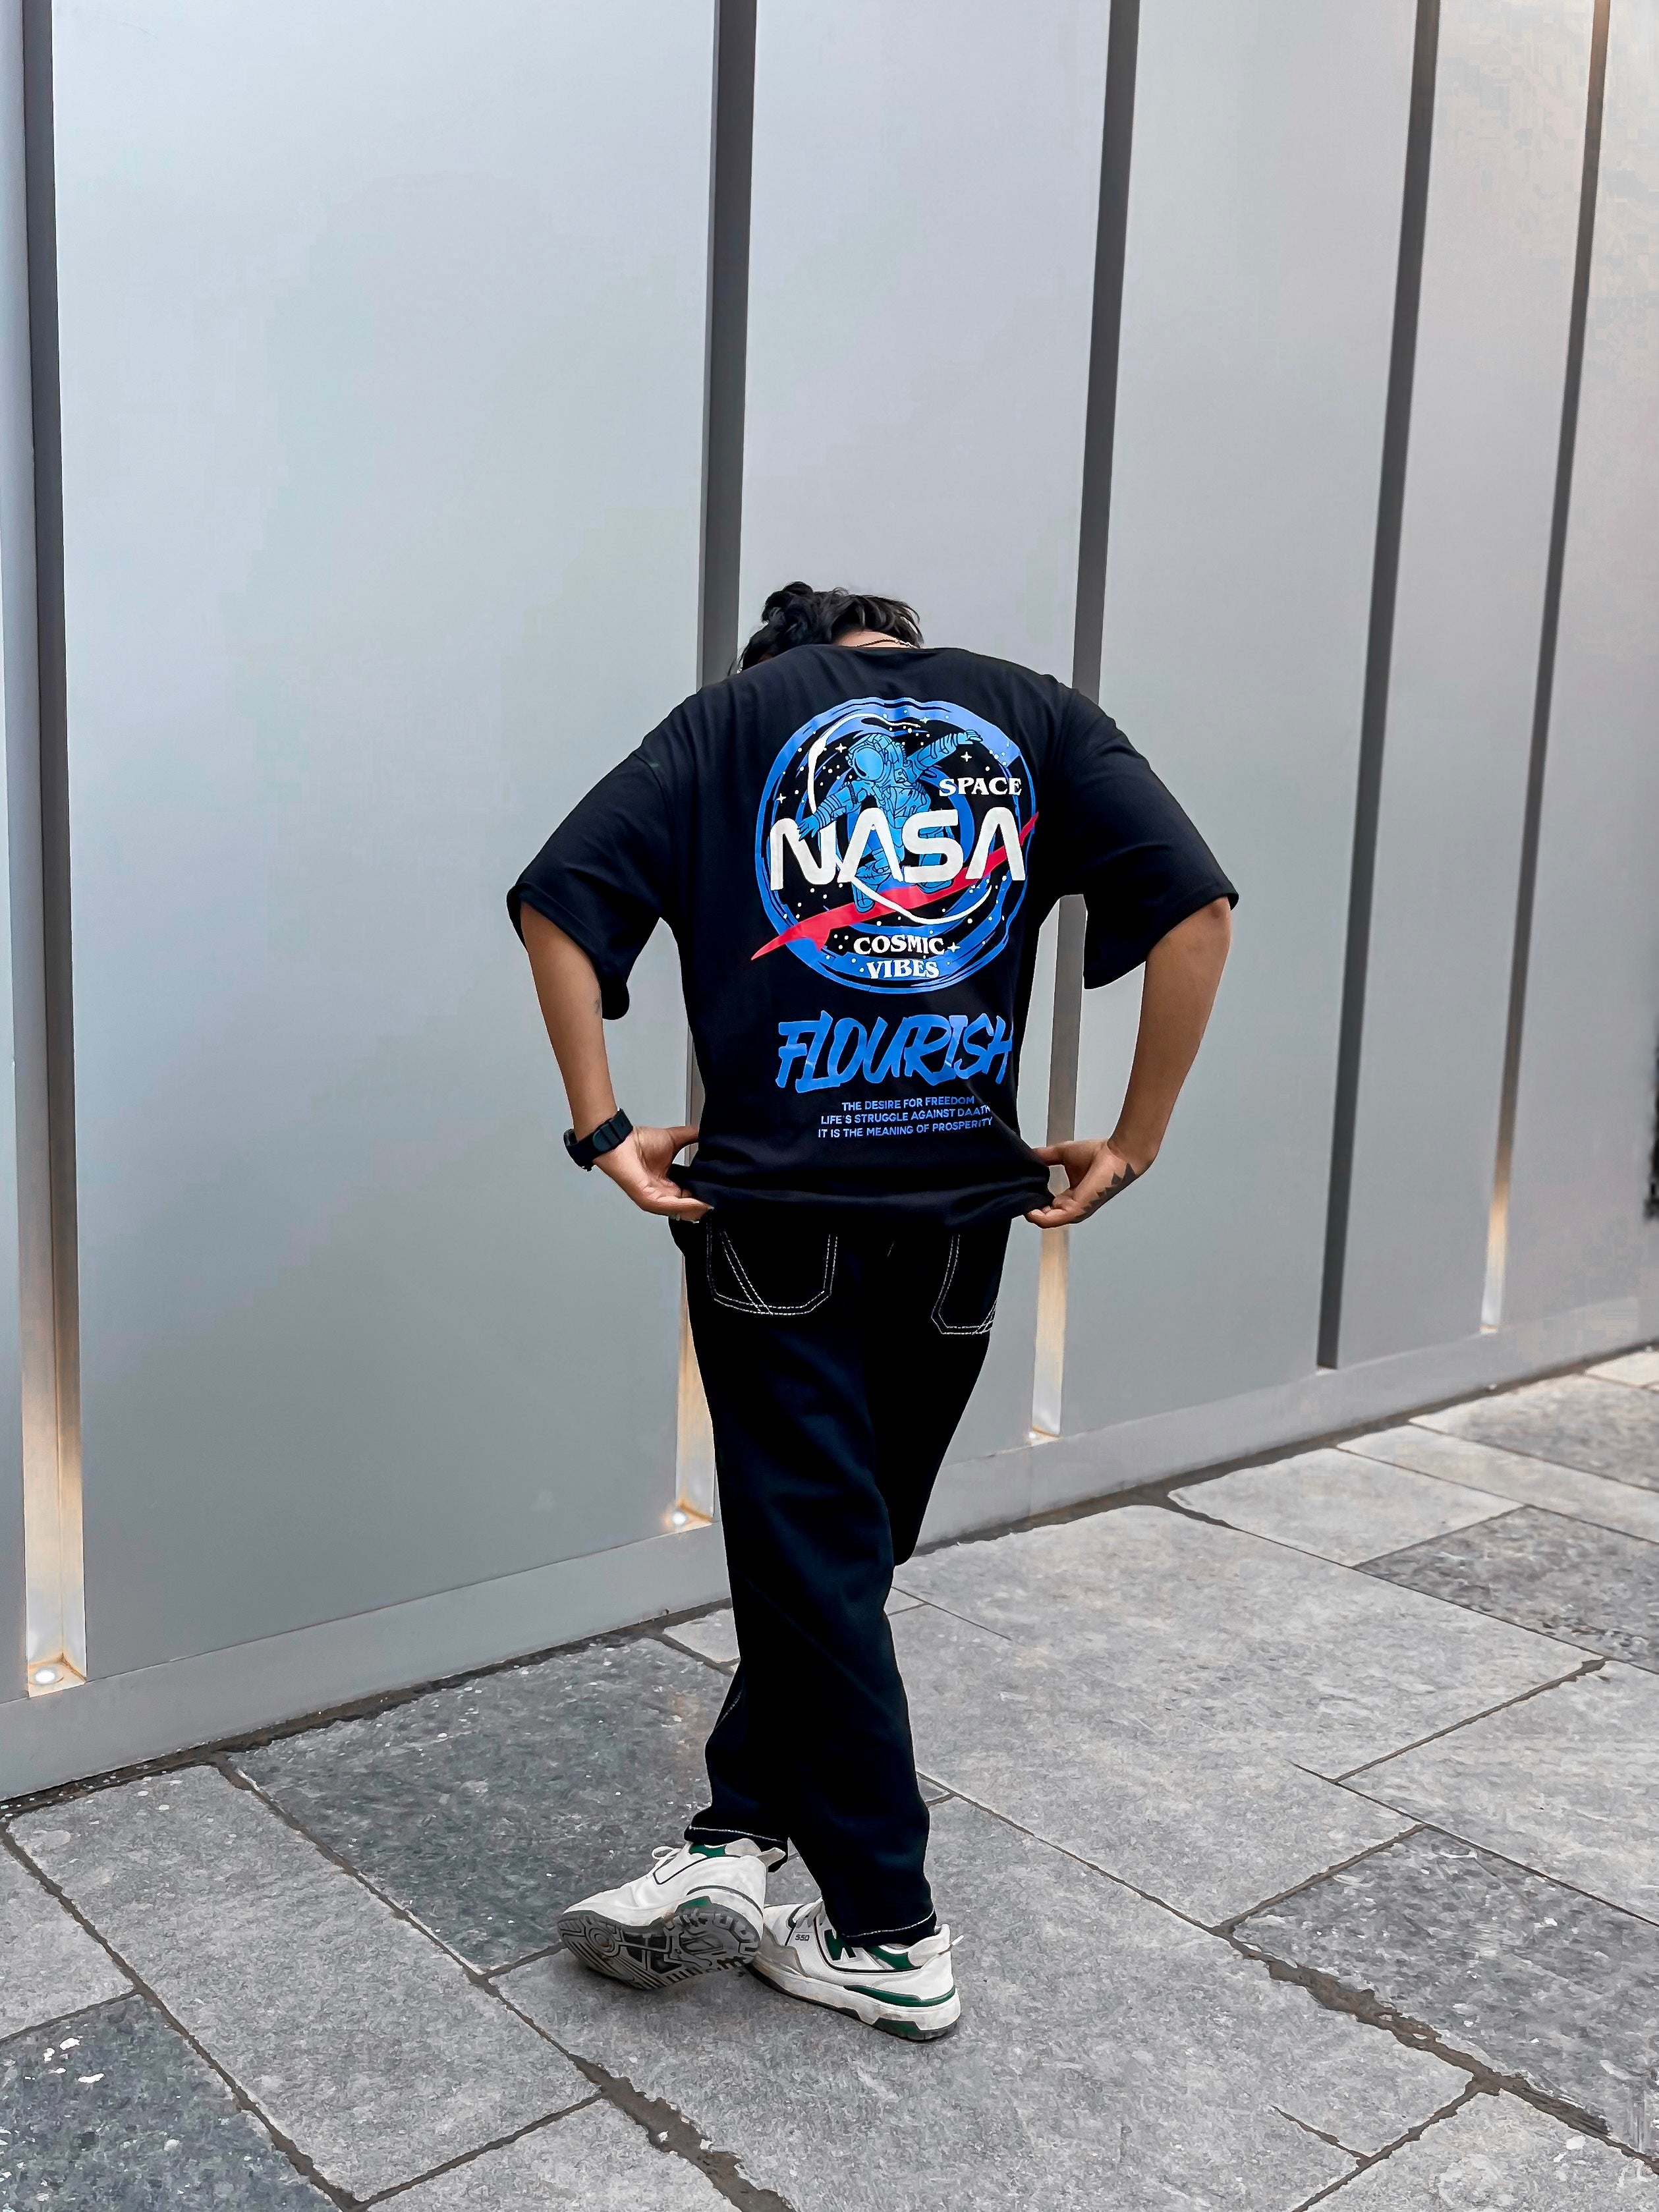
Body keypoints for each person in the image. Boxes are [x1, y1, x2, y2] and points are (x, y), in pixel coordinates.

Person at [509, 582, 1234, 2041]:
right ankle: (737, 1825)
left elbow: (554, 900)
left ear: (780, 658)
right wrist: (1135, 1138)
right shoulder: (1033, 716)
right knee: (841, 1551)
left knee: (814, 1552)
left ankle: (887, 1932)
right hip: (962, 1223)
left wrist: (603, 1129)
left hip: (774, 1214)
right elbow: (1196, 908)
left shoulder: (729, 722)